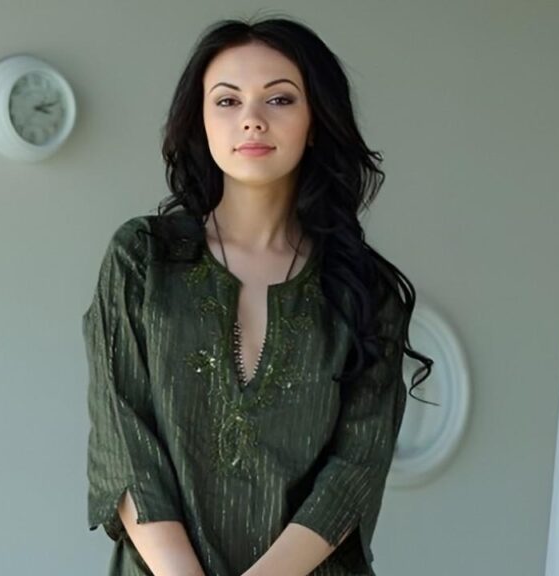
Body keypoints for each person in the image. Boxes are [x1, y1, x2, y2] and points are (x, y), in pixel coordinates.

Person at [83, 14, 432, 576]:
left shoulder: (365, 291)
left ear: (315, 120)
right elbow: (126, 445)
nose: (251, 120)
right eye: (227, 101)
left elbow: (354, 470)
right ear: (200, 119)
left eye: (279, 100)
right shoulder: (142, 259)